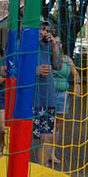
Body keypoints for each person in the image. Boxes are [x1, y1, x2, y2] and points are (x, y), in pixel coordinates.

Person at [33, 21, 61, 165]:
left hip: (48, 98)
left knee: (47, 136)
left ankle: (42, 168)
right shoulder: (22, 45)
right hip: (31, 99)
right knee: (32, 138)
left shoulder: (47, 46)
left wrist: (55, 46)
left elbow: (57, 66)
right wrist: (35, 71)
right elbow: (12, 71)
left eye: (46, 30)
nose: (45, 32)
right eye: (42, 29)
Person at [50, 34, 80, 165]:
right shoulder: (46, 57)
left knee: (57, 125)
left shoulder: (67, 59)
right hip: (47, 94)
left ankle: (52, 152)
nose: (56, 44)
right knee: (48, 124)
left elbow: (75, 74)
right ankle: (45, 151)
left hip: (62, 95)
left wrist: (77, 85)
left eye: (58, 42)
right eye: (53, 42)